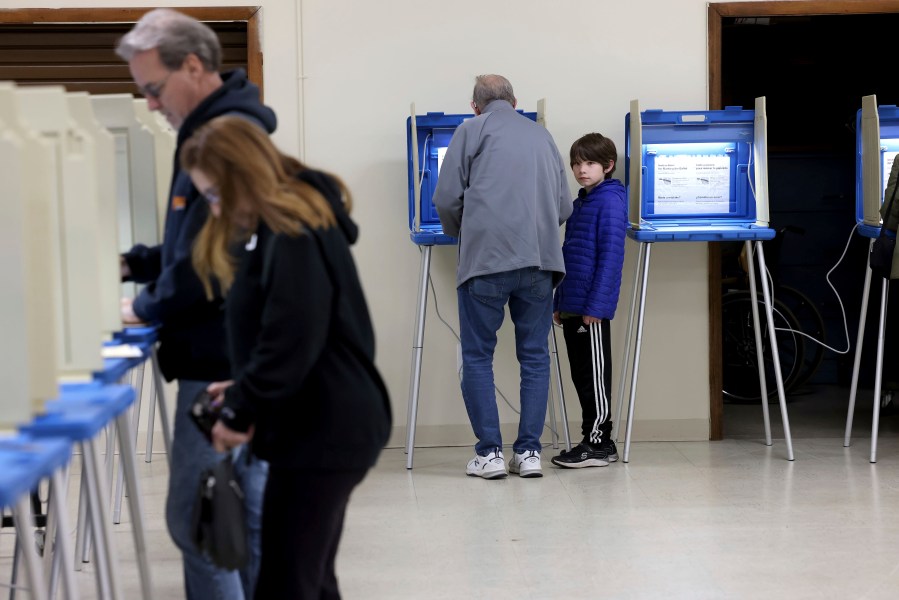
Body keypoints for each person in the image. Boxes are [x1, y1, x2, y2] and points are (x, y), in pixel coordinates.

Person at [180, 115, 391, 599]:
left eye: (215, 195)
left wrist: (241, 407)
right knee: (309, 580)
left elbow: (292, 335)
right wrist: (243, 389)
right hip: (321, 420)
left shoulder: (291, 229)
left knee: (286, 583)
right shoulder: (282, 226)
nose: (215, 210)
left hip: (325, 428)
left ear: (244, 176)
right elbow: (293, 335)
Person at [114, 9, 274, 599]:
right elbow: (193, 244)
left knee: (201, 524)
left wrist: (144, 305)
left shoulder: (224, 137)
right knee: (241, 521)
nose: (151, 104)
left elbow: (218, 257)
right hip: (233, 354)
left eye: (154, 89)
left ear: (193, 65)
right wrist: (137, 263)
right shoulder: (218, 129)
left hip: (219, 361)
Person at [433, 74, 573, 479]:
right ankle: (529, 454)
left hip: (486, 264)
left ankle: (490, 455)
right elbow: (563, 206)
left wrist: (467, 230)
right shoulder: (542, 135)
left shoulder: (469, 130)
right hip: (540, 263)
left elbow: (445, 198)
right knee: (534, 357)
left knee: (477, 356)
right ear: (515, 101)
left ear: (474, 106)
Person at [550, 133, 627, 469]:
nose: (582, 169)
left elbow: (611, 258)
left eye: (590, 163)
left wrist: (595, 308)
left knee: (594, 375)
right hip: (573, 304)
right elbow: (572, 256)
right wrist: (560, 300)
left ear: (607, 166)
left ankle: (599, 442)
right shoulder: (583, 201)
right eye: (577, 163)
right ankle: (592, 440)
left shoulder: (609, 201)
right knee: (581, 374)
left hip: (589, 310)